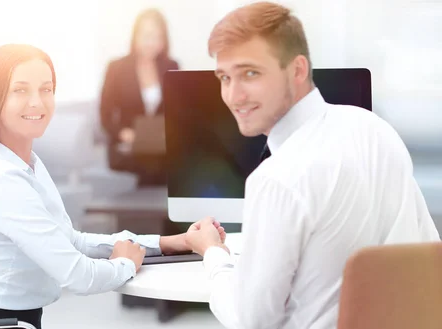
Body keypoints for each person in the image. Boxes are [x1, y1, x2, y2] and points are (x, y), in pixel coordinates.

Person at [183, 2, 441, 329]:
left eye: (250, 73)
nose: (234, 96)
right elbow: (424, 255)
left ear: (298, 70)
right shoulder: (375, 129)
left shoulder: (277, 180)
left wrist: (213, 254)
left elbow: (252, 321)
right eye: (224, 77)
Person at [0, 44, 224, 329]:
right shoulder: (1, 179)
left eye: (46, 89)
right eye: (20, 90)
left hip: (13, 319)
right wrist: (125, 265)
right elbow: (77, 275)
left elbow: (72, 241)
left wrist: (170, 243)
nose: (37, 102)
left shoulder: (27, 164)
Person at [99, 8, 179, 186]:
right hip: (127, 148)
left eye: (158, 37)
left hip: (161, 147)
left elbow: (179, 112)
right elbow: (105, 114)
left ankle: (164, 211)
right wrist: (123, 133)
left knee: (169, 163)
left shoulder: (171, 66)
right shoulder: (117, 68)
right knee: (152, 166)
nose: (152, 42)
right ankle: (153, 211)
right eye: (147, 35)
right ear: (135, 36)